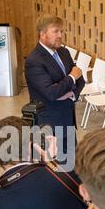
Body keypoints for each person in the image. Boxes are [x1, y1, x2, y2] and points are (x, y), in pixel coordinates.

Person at [25, 14, 85, 154]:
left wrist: (71, 94)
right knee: (54, 167)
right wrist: (71, 78)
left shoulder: (64, 52)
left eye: (61, 31)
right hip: (49, 124)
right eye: (55, 31)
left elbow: (80, 80)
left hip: (68, 120)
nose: (60, 35)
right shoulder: (34, 61)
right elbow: (51, 93)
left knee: (72, 162)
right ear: (42, 34)